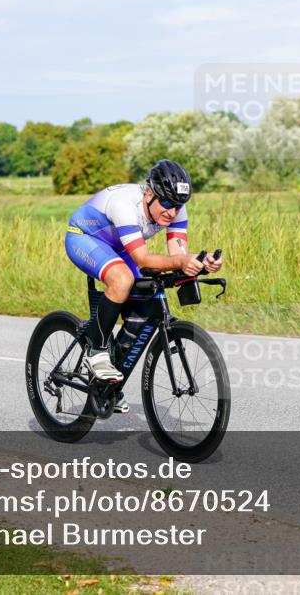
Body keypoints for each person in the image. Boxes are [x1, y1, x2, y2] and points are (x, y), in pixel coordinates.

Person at [64, 159, 223, 413]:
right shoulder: (126, 205)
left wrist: (200, 262)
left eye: (178, 205)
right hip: (85, 238)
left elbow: (178, 252)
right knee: (122, 279)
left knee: (145, 295)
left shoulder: (176, 210)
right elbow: (143, 259)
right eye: (166, 203)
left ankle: (109, 383)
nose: (172, 212)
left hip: (120, 246)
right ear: (149, 193)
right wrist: (181, 261)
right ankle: (96, 350)